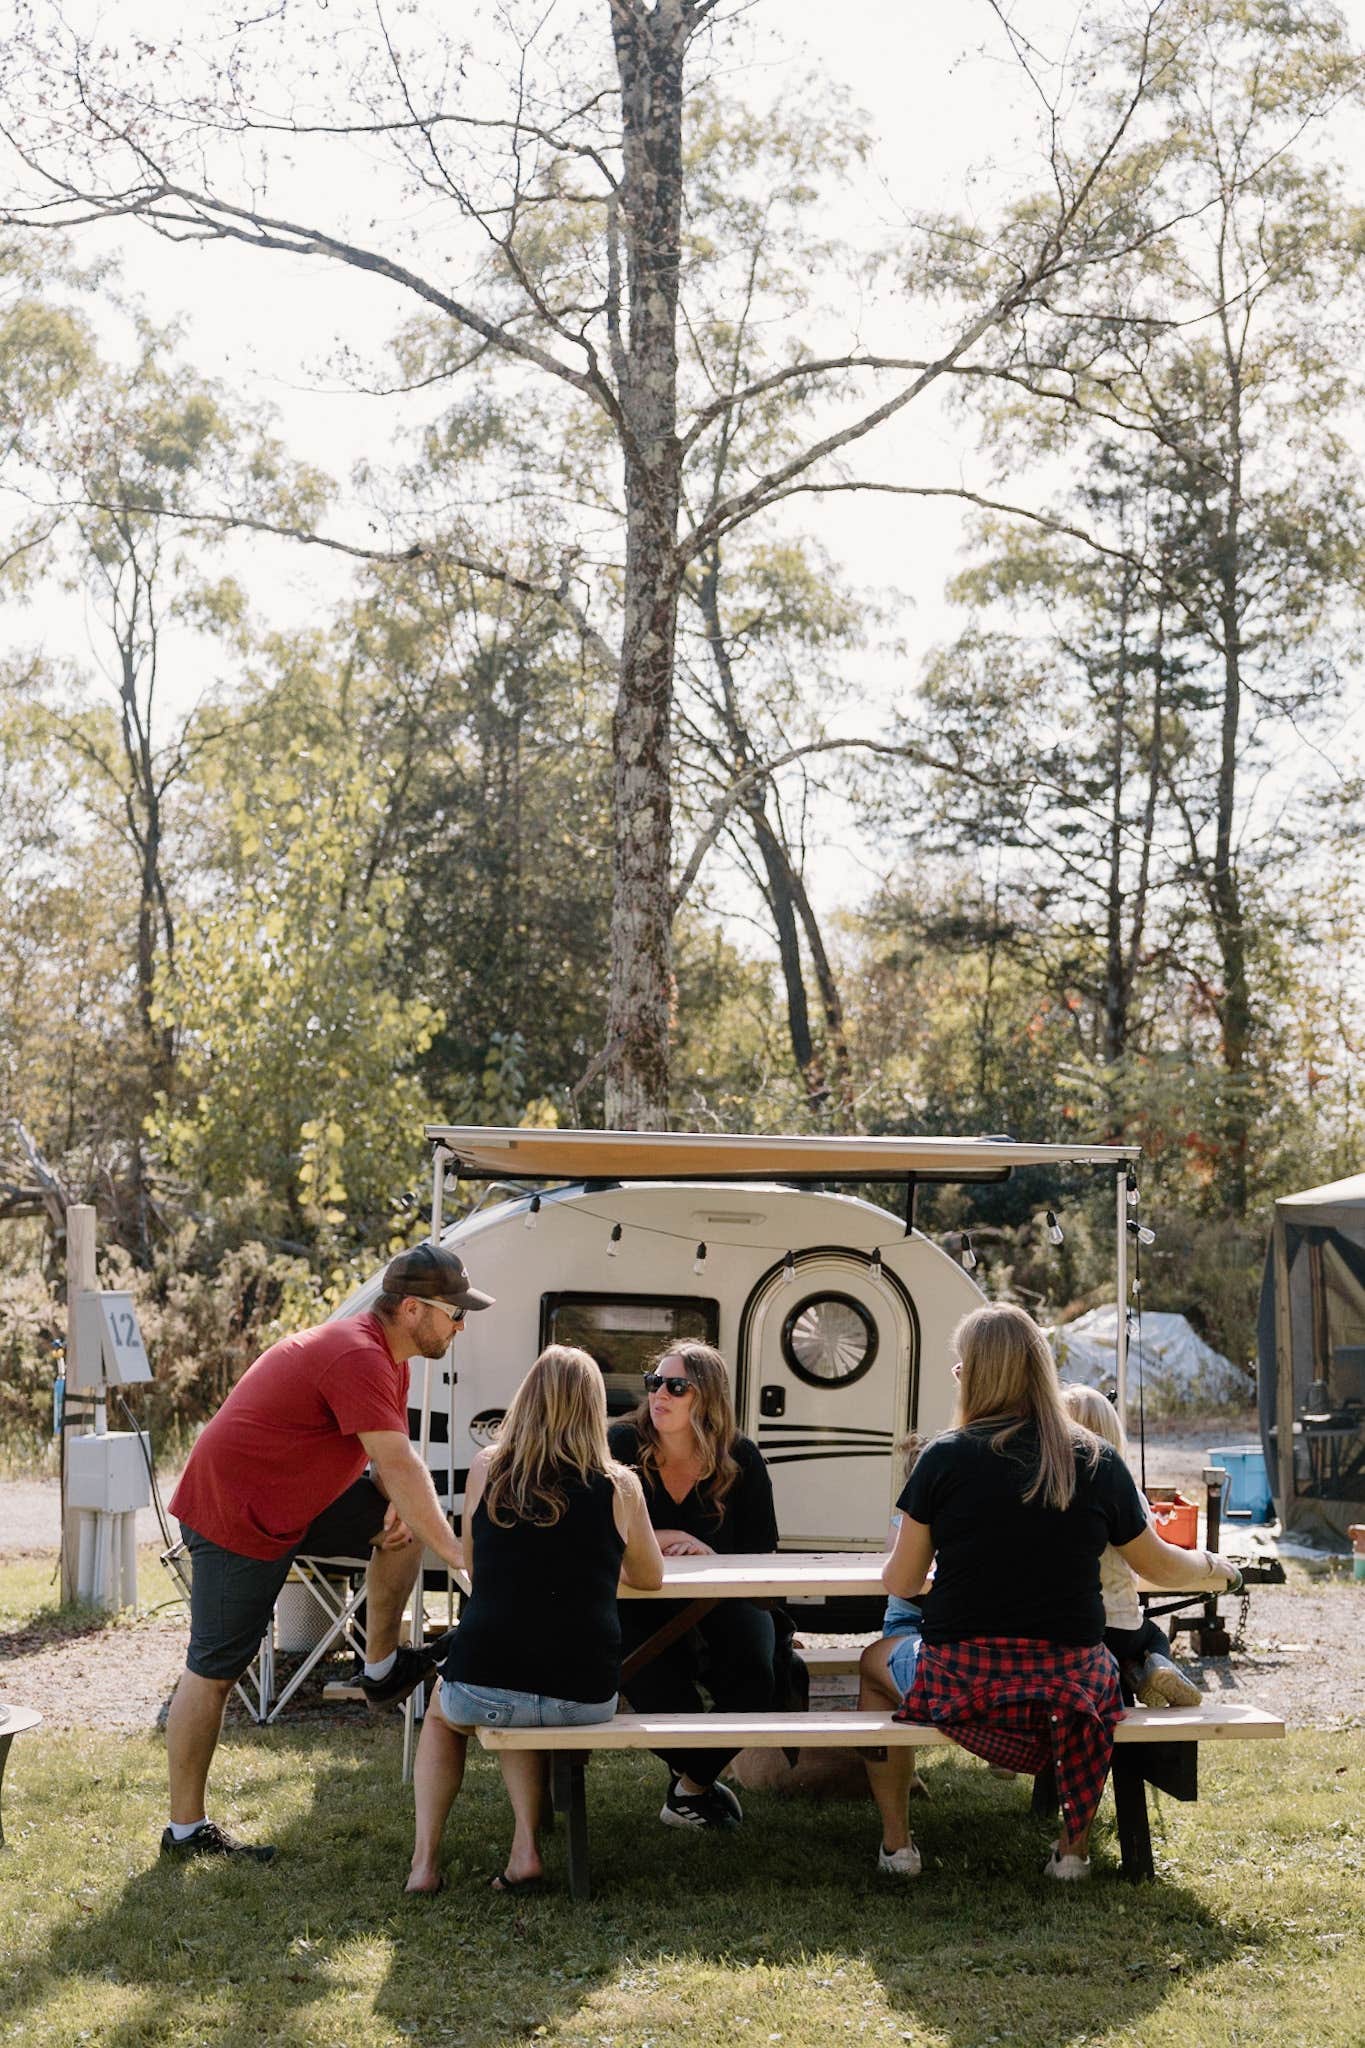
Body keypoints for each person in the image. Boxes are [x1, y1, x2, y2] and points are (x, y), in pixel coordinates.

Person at [878, 1302, 1241, 1881]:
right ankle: (1072, 1853)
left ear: (979, 1374)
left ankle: (897, 1846)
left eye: (959, 1367)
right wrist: (1216, 1566)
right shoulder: (1096, 1459)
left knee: (874, 1668)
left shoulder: (942, 1457)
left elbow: (901, 1583)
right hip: (1070, 1685)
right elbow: (1160, 1566)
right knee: (1101, 1674)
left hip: (961, 1680)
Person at [161, 1242, 492, 1863]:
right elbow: (398, 1459)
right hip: (238, 1510)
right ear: (414, 1309)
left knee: (399, 1524)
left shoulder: (388, 1358)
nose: (462, 1324)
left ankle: (379, 1667)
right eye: (455, 1312)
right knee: (215, 1668)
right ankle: (184, 1831)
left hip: (296, 1501)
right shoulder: (360, 1354)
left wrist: (393, 1502)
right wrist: (461, 1557)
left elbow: (383, 1459)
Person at [405, 1345, 663, 1896]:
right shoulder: (620, 1485)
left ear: (526, 1400)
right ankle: (523, 1850)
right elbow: (651, 1577)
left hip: (486, 1680)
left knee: (444, 1716)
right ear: (593, 1408)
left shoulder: (488, 1468)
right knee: (532, 1698)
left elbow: (474, 1562)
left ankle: (424, 1865)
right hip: (586, 1694)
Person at [608, 1340, 780, 1830]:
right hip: (638, 1599)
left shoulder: (741, 1456)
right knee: (646, 1678)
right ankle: (697, 1784)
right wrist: (667, 1536)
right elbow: (600, 1529)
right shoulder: (623, 1446)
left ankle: (691, 1786)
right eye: (654, 1382)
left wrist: (713, 1557)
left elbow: (762, 1549)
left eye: (676, 1386)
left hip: (721, 1601)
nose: (659, 1394)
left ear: (706, 1397)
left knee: (757, 1673)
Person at [1060, 1383, 1207, 1708]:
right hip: (1120, 1623)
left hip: (1072, 1629)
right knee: (1151, 1636)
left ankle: (1136, 1676)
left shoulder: (1054, 1492)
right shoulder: (1124, 1489)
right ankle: (1155, 1666)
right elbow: (1150, 1556)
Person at [857, 1437, 932, 1876]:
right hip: (911, 1629)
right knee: (884, 1663)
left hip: (929, 1641)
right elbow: (897, 1572)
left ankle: (896, 1841)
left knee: (875, 1672)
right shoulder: (904, 1519)